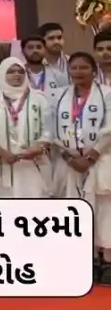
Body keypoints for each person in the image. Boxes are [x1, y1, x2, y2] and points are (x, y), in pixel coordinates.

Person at [49, 52, 111, 285]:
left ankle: (107, 260)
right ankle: (87, 259)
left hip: (101, 159)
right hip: (70, 162)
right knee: (77, 211)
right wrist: (68, 155)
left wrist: (93, 155)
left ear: (93, 70)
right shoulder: (61, 96)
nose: (77, 72)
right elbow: (52, 131)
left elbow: (109, 127)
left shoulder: (106, 95)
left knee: (104, 211)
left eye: (83, 68)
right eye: (73, 68)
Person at [0, 57, 51, 199]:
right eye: (11, 72)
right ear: (2, 74)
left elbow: (49, 128)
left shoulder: (39, 98)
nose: (17, 75)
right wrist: (1, 152)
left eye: (20, 71)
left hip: (33, 162)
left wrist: (39, 147)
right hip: (2, 163)